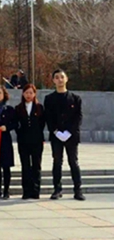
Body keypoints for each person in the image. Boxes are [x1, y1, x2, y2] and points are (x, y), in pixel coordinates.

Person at [44, 69, 85, 201]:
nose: (60, 80)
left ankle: (78, 190)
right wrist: (56, 131)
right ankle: (57, 189)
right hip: (56, 136)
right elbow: (48, 117)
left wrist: (69, 132)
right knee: (57, 162)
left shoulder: (75, 98)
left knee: (73, 162)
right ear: (53, 80)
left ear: (66, 79)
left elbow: (78, 117)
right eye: (57, 77)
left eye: (62, 77)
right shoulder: (49, 99)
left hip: (71, 136)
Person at [14, 84, 45, 200]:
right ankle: (26, 191)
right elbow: (16, 124)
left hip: (37, 141)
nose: (28, 95)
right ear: (23, 94)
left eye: (31, 93)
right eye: (26, 93)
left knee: (36, 166)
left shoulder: (39, 108)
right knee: (25, 166)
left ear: (34, 94)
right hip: (23, 141)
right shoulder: (18, 108)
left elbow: (42, 124)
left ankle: (35, 191)